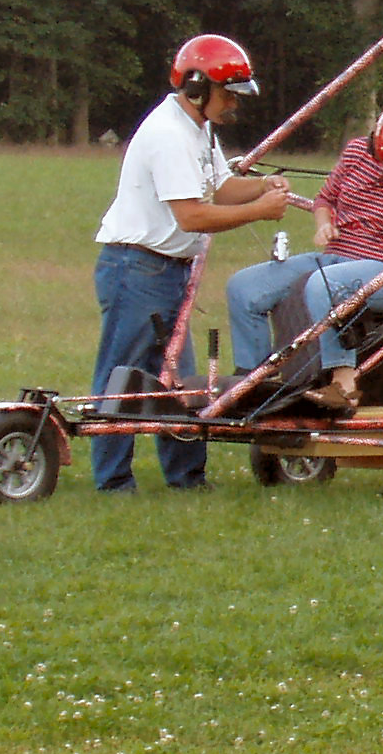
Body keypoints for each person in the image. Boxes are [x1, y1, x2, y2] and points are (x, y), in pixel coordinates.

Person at [91, 34, 290, 492]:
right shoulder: (167, 134)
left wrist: (263, 187)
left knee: (178, 380)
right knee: (121, 377)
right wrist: (259, 212)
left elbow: (218, 187)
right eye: (227, 95)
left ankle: (186, 478)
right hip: (137, 269)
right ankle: (112, 481)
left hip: (168, 270)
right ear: (197, 87)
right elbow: (193, 214)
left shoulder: (198, 129)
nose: (232, 106)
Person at [224, 100, 383, 412]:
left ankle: (343, 385)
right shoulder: (355, 154)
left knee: (322, 285)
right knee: (244, 287)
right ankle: (253, 381)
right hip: (338, 257)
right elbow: (325, 198)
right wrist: (324, 225)